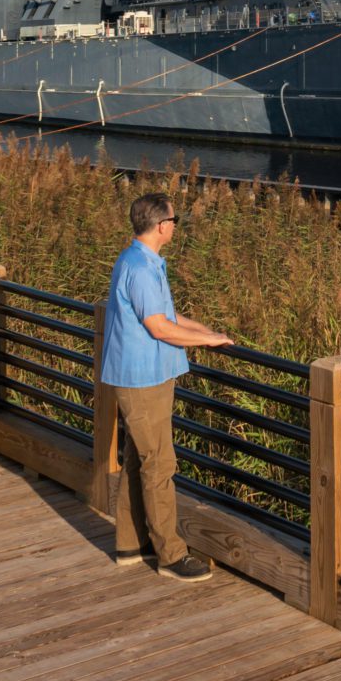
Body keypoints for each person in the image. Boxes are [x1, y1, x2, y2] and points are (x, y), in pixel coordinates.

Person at [98, 191, 232, 583]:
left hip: (148, 376)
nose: (176, 225)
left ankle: (129, 543)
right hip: (142, 379)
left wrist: (208, 333)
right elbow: (158, 328)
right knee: (160, 463)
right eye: (175, 220)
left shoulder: (143, 262)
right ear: (161, 226)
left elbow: (167, 316)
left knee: (140, 458)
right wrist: (205, 342)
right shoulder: (139, 268)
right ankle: (170, 555)